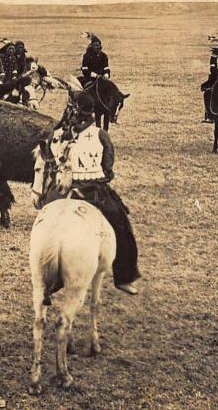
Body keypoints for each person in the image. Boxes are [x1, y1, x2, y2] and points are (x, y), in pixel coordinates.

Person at [58, 93, 141, 295]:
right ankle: (124, 277)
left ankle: (52, 280)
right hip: (96, 191)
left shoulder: (64, 134)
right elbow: (108, 167)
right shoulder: (101, 135)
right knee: (122, 228)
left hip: (70, 190)